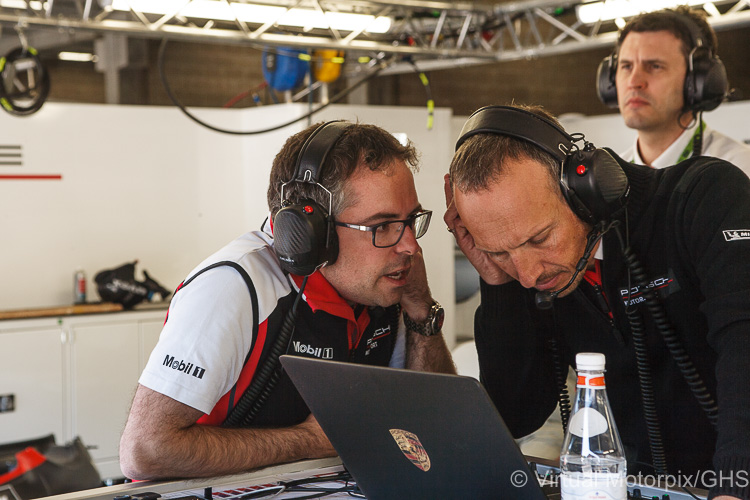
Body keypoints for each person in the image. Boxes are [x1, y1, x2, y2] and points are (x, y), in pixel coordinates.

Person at [444, 103, 750, 499]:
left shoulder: (707, 195)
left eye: (539, 239)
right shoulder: (523, 274)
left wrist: (736, 485)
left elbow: (743, 340)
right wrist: (497, 282)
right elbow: (516, 414)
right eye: (500, 251)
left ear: (584, 190)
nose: (529, 274)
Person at [120, 121, 455, 480]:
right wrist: (307, 441)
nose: (410, 247)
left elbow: (438, 426)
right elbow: (145, 451)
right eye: (383, 226)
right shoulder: (232, 288)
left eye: (411, 220)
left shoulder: (383, 285)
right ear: (312, 233)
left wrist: (421, 308)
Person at [600, 6, 750, 174]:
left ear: (697, 80)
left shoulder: (739, 171)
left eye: (655, 66)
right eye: (626, 66)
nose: (634, 82)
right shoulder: (610, 178)